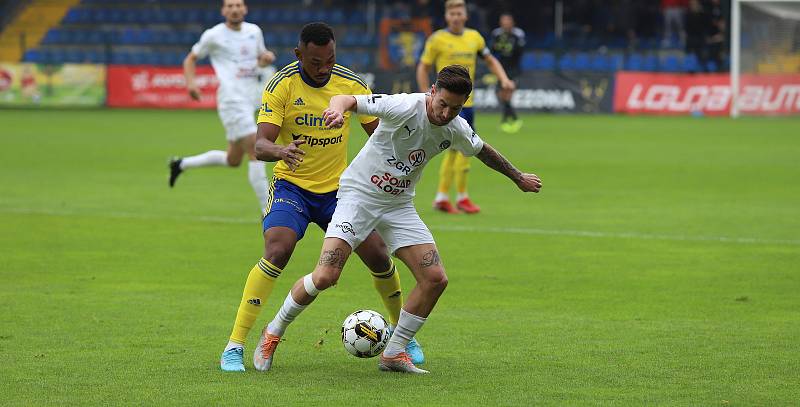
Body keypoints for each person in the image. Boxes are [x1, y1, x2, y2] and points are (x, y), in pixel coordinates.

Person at [254, 65, 542, 374]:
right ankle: (272, 332)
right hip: (359, 197)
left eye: (455, 108)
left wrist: (518, 177)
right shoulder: (404, 105)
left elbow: (482, 150)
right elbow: (346, 100)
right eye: (442, 103)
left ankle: (393, 352)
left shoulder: (456, 127)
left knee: (435, 279)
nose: (446, 113)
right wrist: (336, 112)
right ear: (432, 91)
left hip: (398, 205)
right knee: (326, 276)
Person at [219, 22, 423, 372]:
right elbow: (260, 144)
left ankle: (404, 338)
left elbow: (380, 135)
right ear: (299, 54)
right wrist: (281, 150)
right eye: (316, 61)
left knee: (377, 254)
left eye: (330, 59)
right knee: (278, 248)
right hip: (292, 188)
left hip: (341, 193)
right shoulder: (281, 85)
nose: (324, 67)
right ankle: (235, 345)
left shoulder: (350, 83)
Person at [168, 0, 275, 211]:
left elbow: (260, 59)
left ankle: (180, 164)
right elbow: (190, 59)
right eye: (230, 5)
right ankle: (267, 211)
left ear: (245, 9)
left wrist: (266, 58)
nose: (234, 9)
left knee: (233, 159)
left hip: (250, 98)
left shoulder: (254, 31)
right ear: (223, 10)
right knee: (256, 149)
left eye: (238, 5)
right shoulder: (214, 35)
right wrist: (191, 83)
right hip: (231, 100)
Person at [416, 0, 515, 215]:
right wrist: (426, 94)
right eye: (452, 13)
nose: (456, 16)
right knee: (462, 149)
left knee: (457, 150)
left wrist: (504, 79)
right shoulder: (437, 39)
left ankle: (445, 196)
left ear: (465, 15)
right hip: (444, 104)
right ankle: (459, 197)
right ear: (446, 16)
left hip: (466, 104)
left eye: (459, 12)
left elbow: (491, 60)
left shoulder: (474, 38)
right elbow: (422, 67)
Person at [490, 13, 526, 134]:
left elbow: (520, 52)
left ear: (512, 22)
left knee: (508, 92)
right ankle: (512, 118)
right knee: (500, 94)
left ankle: (507, 120)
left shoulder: (518, 34)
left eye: (507, 21)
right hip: (501, 68)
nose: (505, 23)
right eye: (503, 21)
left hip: (513, 69)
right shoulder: (496, 34)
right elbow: (492, 51)